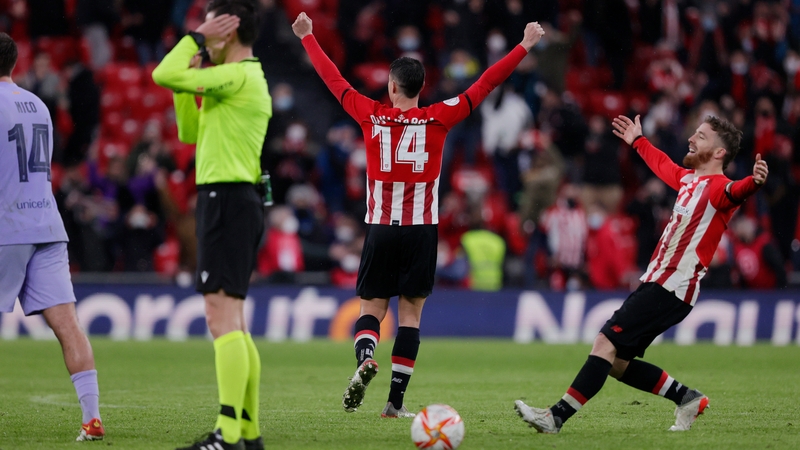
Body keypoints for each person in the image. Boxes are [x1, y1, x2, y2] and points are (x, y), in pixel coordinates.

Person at [291, 12, 545, 418]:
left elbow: (333, 80)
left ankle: (365, 359)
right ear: (421, 88)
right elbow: (485, 84)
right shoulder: (439, 116)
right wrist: (524, 46)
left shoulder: (370, 114)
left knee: (372, 309)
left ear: (392, 86)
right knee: (410, 316)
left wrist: (308, 37)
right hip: (421, 231)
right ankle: (394, 403)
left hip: (380, 228)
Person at [515, 114, 769, 433]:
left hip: (672, 286)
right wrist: (638, 141)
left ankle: (555, 417)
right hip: (660, 283)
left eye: (701, 137)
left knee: (604, 343)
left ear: (719, 153)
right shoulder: (689, 180)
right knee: (617, 363)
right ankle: (687, 398)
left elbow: (736, 191)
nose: (691, 139)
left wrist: (754, 182)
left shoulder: (719, 188)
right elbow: (662, 165)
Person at [152, 1, 271, 449]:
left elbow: (161, 73)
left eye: (210, 24)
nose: (203, 33)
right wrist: (192, 75)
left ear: (228, 29)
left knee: (220, 317)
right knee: (232, 319)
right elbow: (189, 131)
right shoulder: (236, 80)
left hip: (227, 199)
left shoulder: (237, 76)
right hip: (231, 200)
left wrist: (195, 41)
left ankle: (227, 434)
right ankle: (248, 434)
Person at [0, 32, 104, 442]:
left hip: (7, 227)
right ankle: (92, 419)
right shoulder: (38, 104)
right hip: (46, 224)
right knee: (68, 326)